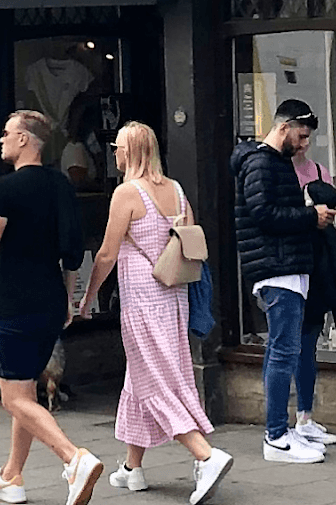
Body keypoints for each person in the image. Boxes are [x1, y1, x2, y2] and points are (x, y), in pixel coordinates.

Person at [77, 121, 234, 504]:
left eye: (117, 147)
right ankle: (132, 468)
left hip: (142, 302)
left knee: (155, 383)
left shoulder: (126, 194)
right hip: (174, 297)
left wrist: (88, 297)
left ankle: (206, 455)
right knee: (145, 376)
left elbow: (107, 253)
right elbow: (191, 240)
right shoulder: (178, 192)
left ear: (128, 152)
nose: (113, 153)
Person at [0, 111, 104, 505]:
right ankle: (11, 476)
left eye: (7, 133)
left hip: (17, 300)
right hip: (52, 296)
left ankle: (74, 459)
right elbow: (73, 248)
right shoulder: (60, 184)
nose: (1, 139)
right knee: (27, 392)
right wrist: (70, 296)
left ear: (24, 140)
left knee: (12, 397)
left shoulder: (6, 189)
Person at [230, 99, 336, 464]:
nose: (305, 144)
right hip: (277, 267)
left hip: (283, 265)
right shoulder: (261, 162)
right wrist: (311, 215)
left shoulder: (270, 162)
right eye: (302, 136)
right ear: (285, 126)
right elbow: (263, 214)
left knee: (282, 350)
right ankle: (276, 435)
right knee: (283, 351)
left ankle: (281, 430)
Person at [290, 146, 336, 448]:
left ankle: (305, 416)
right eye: (300, 134)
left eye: (308, 135)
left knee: (310, 342)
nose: (304, 142)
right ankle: (284, 425)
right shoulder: (280, 173)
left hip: (319, 263)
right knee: (291, 345)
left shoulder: (321, 171)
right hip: (294, 265)